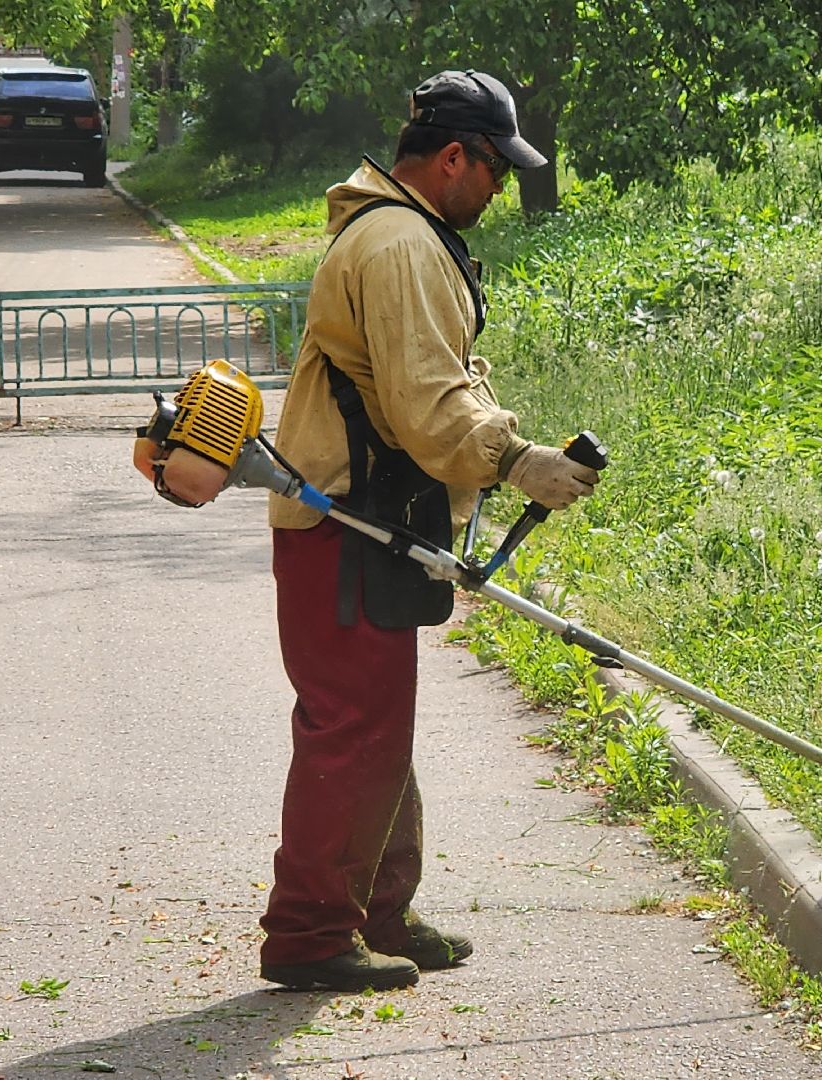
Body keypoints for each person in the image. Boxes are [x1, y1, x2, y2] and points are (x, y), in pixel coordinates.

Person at [258, 69, 600, 992]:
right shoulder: (403, 243)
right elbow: (427, 399)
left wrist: (502, 448)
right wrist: (514, 458)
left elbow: (432, 377)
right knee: (351, 728)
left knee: (378, 725)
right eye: (497, 171)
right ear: (455, 157)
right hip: (344, 520)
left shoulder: (400, 232)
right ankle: (309, 934)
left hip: (365, 518)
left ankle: (377, 911)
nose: (499, 189)